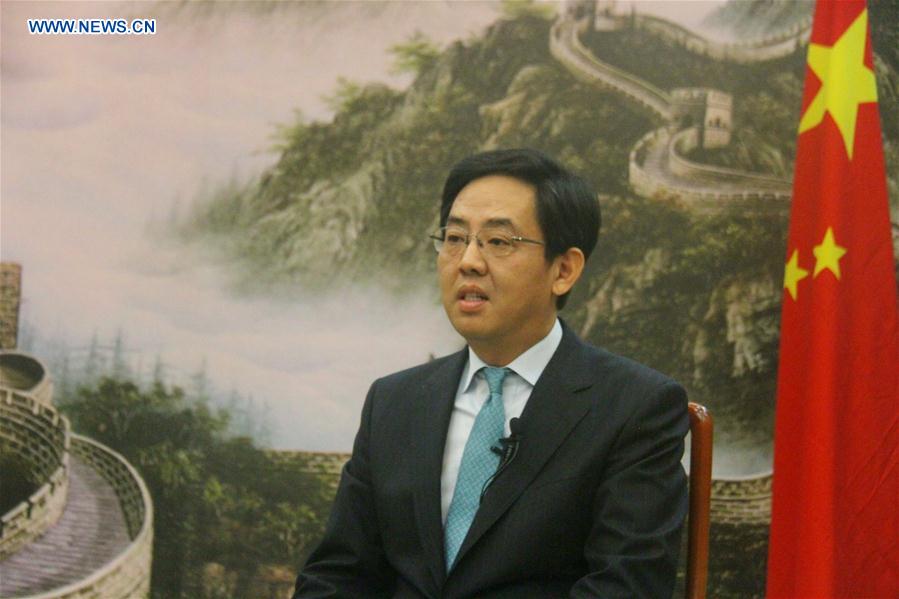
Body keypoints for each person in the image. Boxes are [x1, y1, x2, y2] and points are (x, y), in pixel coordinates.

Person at [293, 149, 688, 598]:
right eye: (455, 238)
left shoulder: (634, 408)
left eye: (498, 242)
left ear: (563, 270)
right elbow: (337, 574)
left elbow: (627, 587)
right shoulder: (394, 401)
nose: (468, 261)